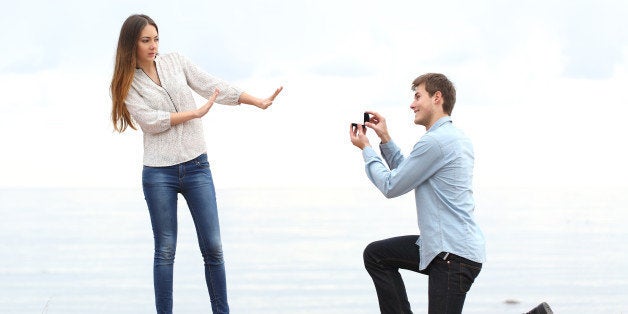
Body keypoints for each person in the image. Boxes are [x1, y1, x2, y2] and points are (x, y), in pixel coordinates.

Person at [110, 14, 282, 314]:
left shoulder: (175, 61)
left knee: (213, 248)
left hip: (197, 167)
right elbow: (152, 122)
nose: (153, 46)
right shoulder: (127, 85)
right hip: (158, 173)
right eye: (146, 40)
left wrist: (256, 101)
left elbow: (212, 85)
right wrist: (193, 114)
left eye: (156, 39)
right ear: (131, 44)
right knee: (165, 251)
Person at [349, 73, 485, 313]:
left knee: (376, 255)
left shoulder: (436, 142)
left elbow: (391, 186)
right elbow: (407, 172)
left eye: (417, 96)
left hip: (451, 254)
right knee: (377, 255)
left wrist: (367, 149)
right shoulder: (452, 138)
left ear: (437, 97)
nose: (412, 104)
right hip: (446, 247)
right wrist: (385, 138)